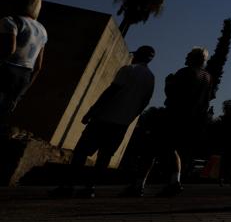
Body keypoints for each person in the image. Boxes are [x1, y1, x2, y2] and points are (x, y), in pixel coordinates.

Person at [50, 46, 157, 198]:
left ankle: (68, 185)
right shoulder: (150, 77)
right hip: (122, 123)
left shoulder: (128, 69)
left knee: (81, 151)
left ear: (137, 55)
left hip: (105, 118)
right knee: (105, 156)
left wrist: (92, 111)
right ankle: (90, 188)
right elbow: (144, 102)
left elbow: (111, 91)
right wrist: (130, 117)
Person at [127, 46, 214, 197]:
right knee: (171, 149)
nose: (186, 57)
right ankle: (174, 182)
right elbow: (207, 99)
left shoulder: (185, 72)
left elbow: (172, 93)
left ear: (194, 58)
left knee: (150, 149)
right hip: (191, 120)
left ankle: (138, 185)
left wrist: (168, 82)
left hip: (174, 116)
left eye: (189, 55)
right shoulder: (207, 77)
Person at [0, 0, 47, 130]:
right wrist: (23, 91)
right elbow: (38, 66)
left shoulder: (9, 21)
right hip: (24, 75)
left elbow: (9, 50)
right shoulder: (42, 30)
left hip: (6, 69)